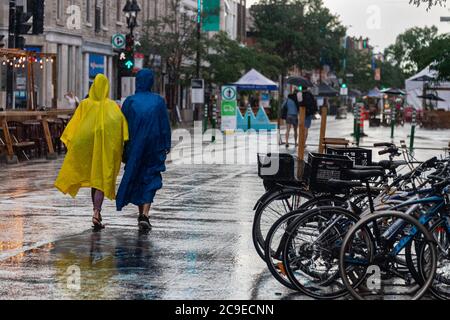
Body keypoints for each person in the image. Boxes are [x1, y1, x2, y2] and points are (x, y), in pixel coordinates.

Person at [55, 74, 129, 230]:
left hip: (88, 151)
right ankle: (97, 212)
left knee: (94, 182)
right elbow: (121, 126)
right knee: (100, 180)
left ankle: (96, 212)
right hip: (105, 152)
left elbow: (74, 126)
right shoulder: (111, 107)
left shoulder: (84, 104)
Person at [116, 69, 171, 231]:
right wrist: (166, 144)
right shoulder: (158, 101)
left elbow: (122, 126)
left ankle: (142, 214)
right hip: (153, 147)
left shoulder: (130, 102)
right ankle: (145, 214)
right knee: (150, 178)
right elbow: (164, 125)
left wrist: (121, 147)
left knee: (138, 176)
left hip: (134, 147)